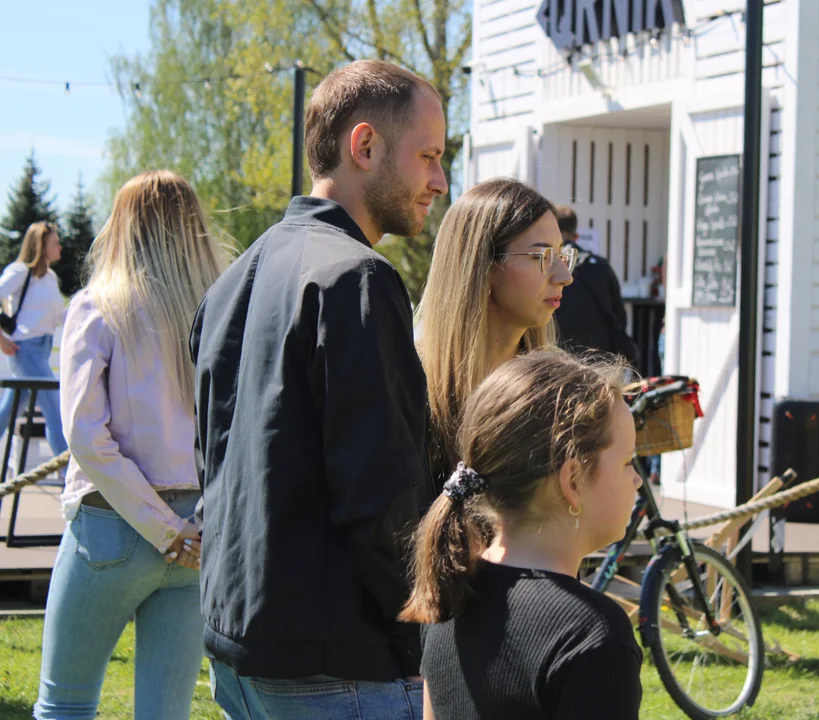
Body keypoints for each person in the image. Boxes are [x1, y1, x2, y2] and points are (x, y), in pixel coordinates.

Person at [190, 59, 447, 719]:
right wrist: (433, 624)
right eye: (428, 156)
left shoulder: (235, 278)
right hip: (336, 666)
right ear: (364, 146)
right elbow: (382, 497)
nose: (439, 182)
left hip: (238, 647)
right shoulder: (356, 278)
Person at [35, 171, 225, 720]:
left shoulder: (98, 306)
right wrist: (188, 530)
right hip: (197, 531)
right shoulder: (217, 310)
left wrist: (164, 530)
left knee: (64, 705)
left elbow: (85, 436)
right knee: (164, 714)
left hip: (114, 526)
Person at [401, 351, 644, 719]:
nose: (638, 479)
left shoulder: (451, 594)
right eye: (628, 462)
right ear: (573, 480)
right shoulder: (591, 635)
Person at [415, 178, 574, 485]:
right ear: (481, 266)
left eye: (563, 256)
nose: (564, 276)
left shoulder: (559, 387)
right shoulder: (412, 380)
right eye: (542, 257)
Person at [0, 221, 68, 457]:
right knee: (54, 410)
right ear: (41, 245)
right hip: (26, 351)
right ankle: (67, 477)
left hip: (41, 351)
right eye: (55, 243)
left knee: (6, 414)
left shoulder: (50, 277)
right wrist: (0, 339)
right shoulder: (20, 272)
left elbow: (60, 315)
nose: (60, 247)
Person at [550, 204, 638, 367]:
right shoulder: (600, 266)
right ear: (576, 236)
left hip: (562, 357)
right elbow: (619, 316)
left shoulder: (548, 266)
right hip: (601, 358)